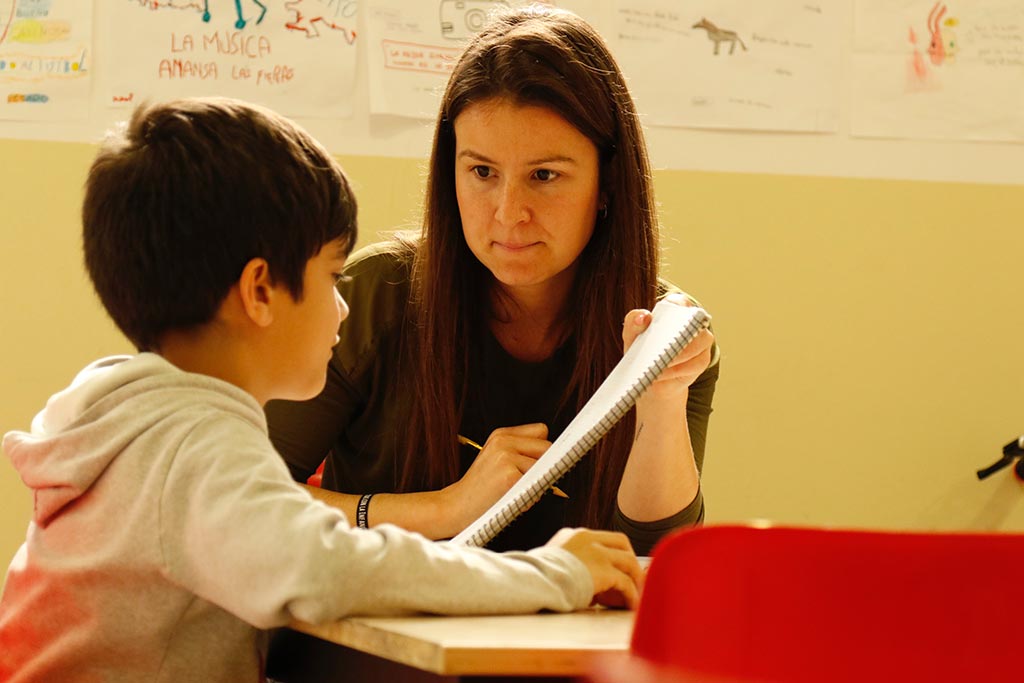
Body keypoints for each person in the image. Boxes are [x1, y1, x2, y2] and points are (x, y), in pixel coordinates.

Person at [0, 97, 644, 683]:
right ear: (260, 292)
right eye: (332, 277)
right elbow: (330, 568)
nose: (343, 307)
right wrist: (554, 573)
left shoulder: (123, 414)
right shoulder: (195, 446)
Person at [266, 4, 719, 556]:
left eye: (544, 175)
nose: (508, 213)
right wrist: (445, 508)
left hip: (572, 616)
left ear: (607, 184)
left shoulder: (663, 332)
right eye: (482, 172)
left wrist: (662, 399)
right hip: (385, 614)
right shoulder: (374, 294)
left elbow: (654, 557)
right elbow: (248, 500)